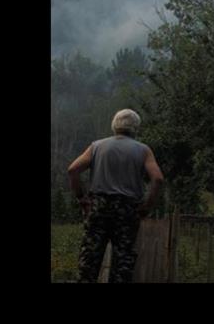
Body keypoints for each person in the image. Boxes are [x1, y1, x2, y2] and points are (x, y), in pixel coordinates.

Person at [67, 109, 164, 283]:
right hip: (127, 210)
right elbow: (157, 179)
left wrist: (82, 199)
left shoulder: (97, 146)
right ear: (136, 127)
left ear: (114, 125)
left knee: (89, 261)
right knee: (123, 264)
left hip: (99, 207)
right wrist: (146, 207)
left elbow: (73, 170)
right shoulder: (143, 150)